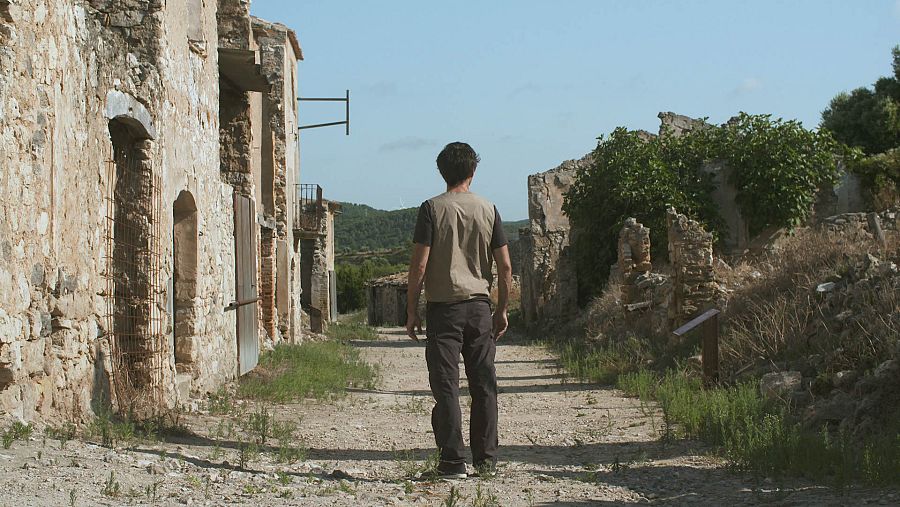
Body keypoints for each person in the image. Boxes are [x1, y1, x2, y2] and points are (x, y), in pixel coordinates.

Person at [406, 141, 513, 479]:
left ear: (442, 172)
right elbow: (506, 267)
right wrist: (502, 309)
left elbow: (419, 266)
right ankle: (486, 461)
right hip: (480, 308)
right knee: (484, 384)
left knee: (446, 385)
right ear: (473, 171)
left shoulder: (430, 209)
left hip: (443, 310)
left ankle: (452, 462)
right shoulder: (489, 209)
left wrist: (412, 309)